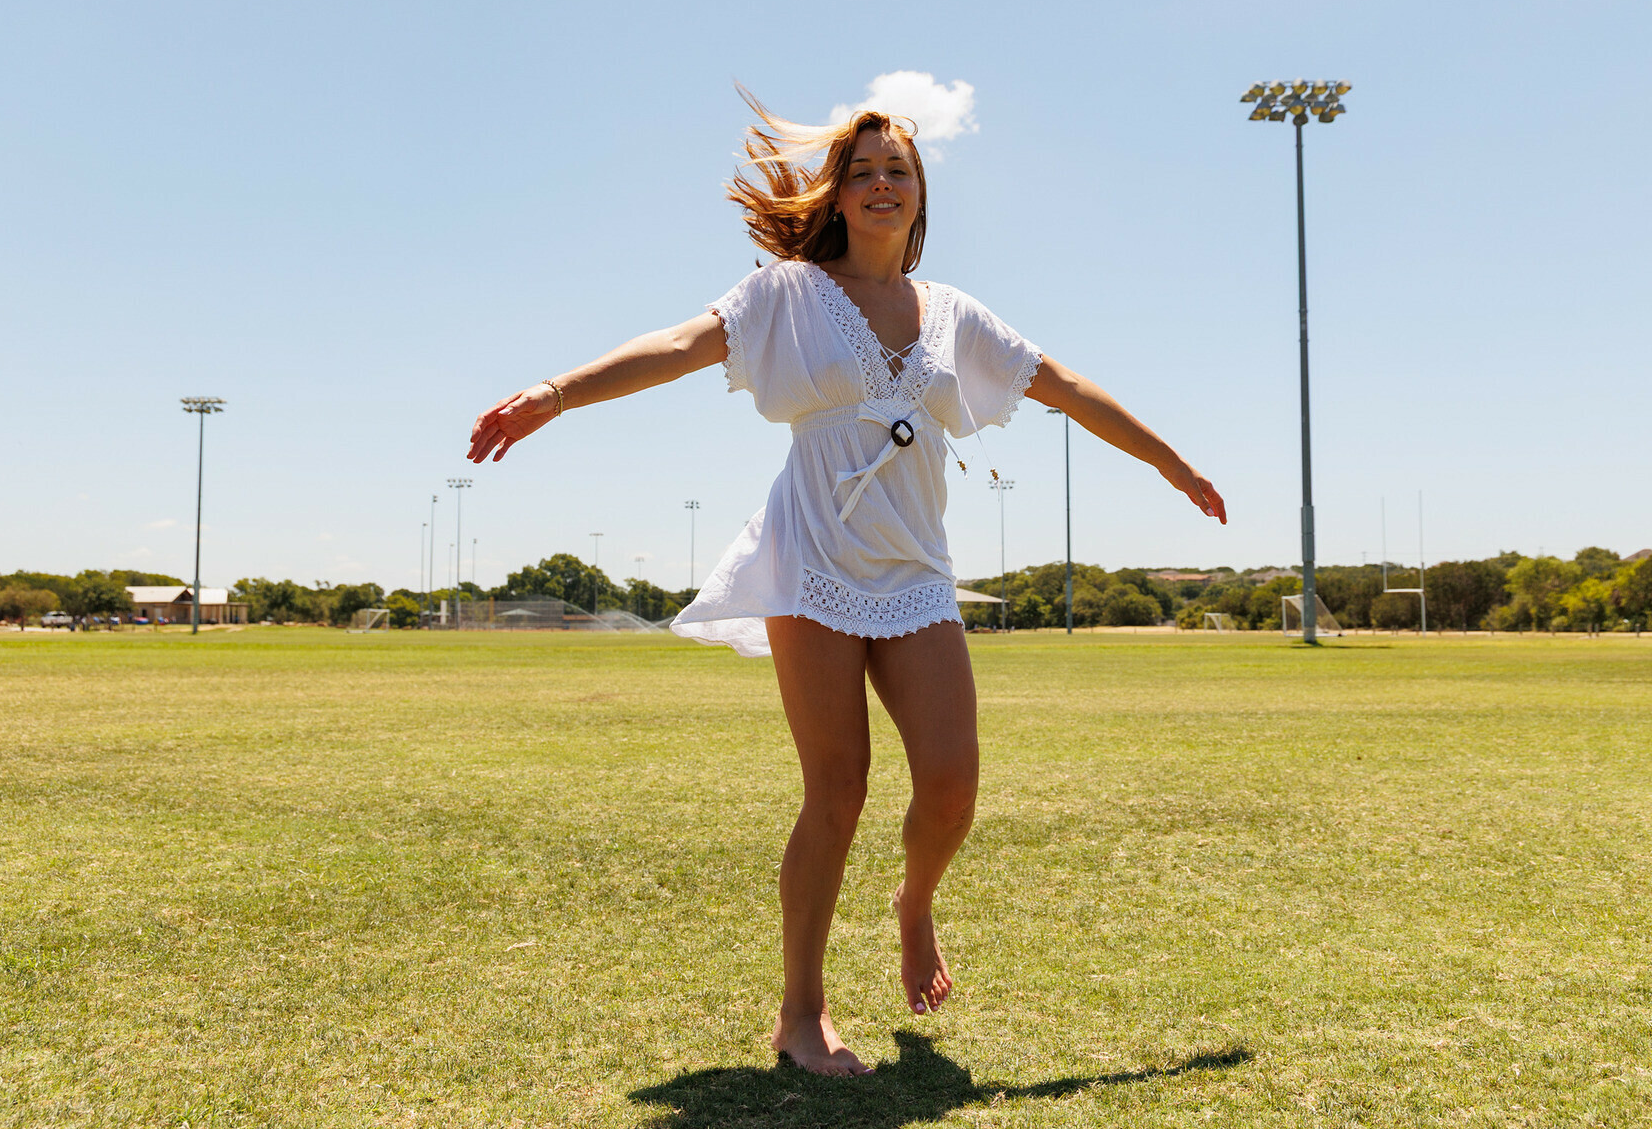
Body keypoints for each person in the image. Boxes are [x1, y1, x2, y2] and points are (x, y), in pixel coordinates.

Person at [467, 94, 1225, 1077]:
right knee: (839, 787)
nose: (879, 183)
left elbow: (1067, 387)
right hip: (811, 563)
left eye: (897, 170)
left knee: (951, 783)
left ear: (920, 196)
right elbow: (679, 346)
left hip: (915, 574)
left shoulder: (955, 316)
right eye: (861, 170)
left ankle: (915, 903)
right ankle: (802, 1015)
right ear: (838, 195)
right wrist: (556, 393)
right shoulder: (787, 293)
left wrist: (1170, 462)